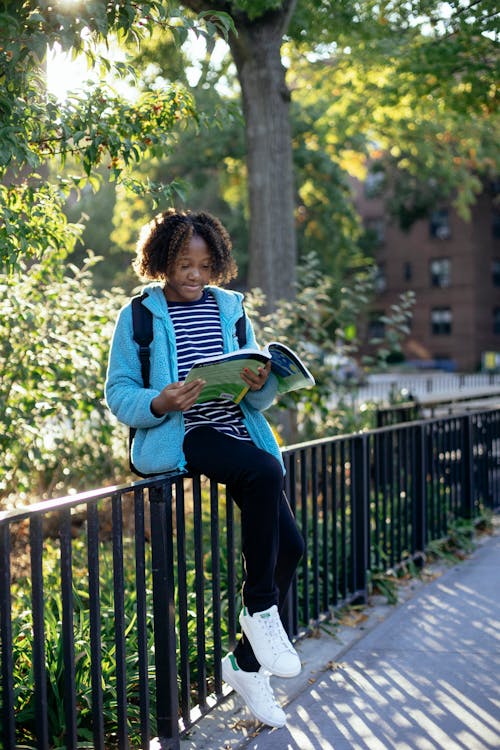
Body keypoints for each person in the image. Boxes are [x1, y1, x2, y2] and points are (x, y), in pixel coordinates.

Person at [105, 208, 305, 728]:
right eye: (182, 264)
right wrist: (161, 401)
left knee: (293, 546)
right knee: (263, 473)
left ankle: (244, 664)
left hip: (238, 430)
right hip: (187, 432)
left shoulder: (232, 308)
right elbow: (119, 391)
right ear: (161, 262)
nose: (193, 275)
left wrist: (264, 381)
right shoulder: (140, 316)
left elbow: (254, 401)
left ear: (217, 262)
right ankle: (260, 610)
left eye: (203, 264)